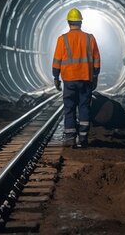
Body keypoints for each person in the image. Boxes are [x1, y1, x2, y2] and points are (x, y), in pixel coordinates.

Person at [52, 8, 101, 148]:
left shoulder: (62, 39)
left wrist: (56, 77)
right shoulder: (90, 38)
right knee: (84, 107)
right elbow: (96, 59)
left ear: (69, 22)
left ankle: (70, 139)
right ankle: (83, 138)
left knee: (69, 108)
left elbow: (57, 61)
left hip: (69, 80)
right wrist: (95, 76)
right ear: (80, 22)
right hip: (86, 79)